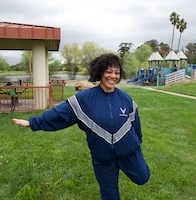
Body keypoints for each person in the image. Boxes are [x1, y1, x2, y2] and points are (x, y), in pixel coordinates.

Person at [13, 53, 150, 199]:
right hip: (102, 157)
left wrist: (137, 144)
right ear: (100, 72)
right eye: (109, 72)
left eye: (117, 73)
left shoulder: (126, 99)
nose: (113, 76)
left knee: (143, 177)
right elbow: (59, 114)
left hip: (129, 152)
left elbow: (136, 125)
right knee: (109, 194)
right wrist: (33, 123)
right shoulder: (83, 100)